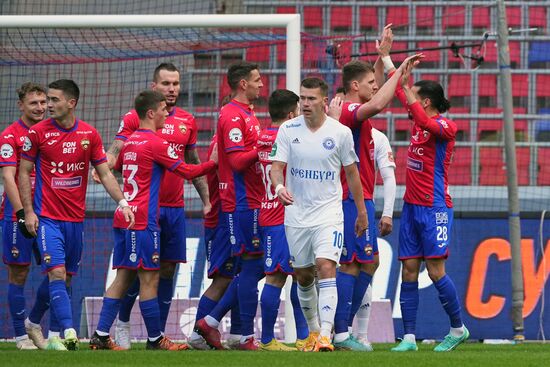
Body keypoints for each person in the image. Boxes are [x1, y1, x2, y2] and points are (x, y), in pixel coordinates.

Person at [89, 90, 217, 351]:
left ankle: (101, 335)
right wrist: (214, 163)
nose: (167, 113)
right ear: (150, 113)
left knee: (123, 277)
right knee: (149, 279)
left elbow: (113, 167)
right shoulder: (156, 143)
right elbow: (187, 171)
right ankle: (155, 339)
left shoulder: (132, 141)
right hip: (142, 220)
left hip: (124, 215)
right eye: (162, 110)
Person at [18, 79, 135, 351]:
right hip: (46, 217)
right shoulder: (37, 133)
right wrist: (28, 211)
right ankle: (69, 333)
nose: (48, 105)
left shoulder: (89, 134)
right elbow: (23, 172)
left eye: (54, 100)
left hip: (75, 220)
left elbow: (105, 172)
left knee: (65, 277)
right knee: (56, 272)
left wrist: (123, 202)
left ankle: (34, 321)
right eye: (47, 100)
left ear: (72, 103)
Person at [332, 29, 421, 349]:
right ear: (355, 86)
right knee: (353, 264)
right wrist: (398, 72)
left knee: (365, 263)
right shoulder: (348, 112)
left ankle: (341, 328)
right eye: (369, 82)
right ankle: (340, 331)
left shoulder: (350, 107)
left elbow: (374, 87)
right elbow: (381, 100)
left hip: (358, 197)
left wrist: (383, 56)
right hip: (350, 198)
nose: (375, 85)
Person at [269, 77, 368, 352]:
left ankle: (326, 334)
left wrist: (361, 212)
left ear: (325, 102)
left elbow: (352, 174)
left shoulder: (340, 133)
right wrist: (278, 186)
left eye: (311, 99)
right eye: (302, 98)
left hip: (328, 214)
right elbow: (276, 166)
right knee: (302, 275)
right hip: (297, 215)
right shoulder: (288, 130)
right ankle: (314, 331)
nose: (305, 103)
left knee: (326, 266)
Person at [390, 62, 469, 352]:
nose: (409, 99)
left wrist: (406, 88)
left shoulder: (446, 126)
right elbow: (398, 90)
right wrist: (389, 62)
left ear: (425, 101)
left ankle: (457, 329)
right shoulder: (418, 120)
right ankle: (409, 338)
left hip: (434, 207)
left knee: (435, 270)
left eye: (414, 95)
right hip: (411, 206)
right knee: (409, 269)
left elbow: (424, 122)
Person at [195, 61, 265, 350]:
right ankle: (208, 326)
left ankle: (232, 332)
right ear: (243, 84)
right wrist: (265, 147)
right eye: (257, 80)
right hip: (239, 203)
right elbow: (236, 162)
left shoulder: (248, 114)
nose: (262, 84)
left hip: (251, 200)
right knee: (250, 266)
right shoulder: (232, 117)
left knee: (247, 268)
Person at [256, 89, 309, 351]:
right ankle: (267, 340)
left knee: (294, 276)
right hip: (283, 217)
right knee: (280, 278)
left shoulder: (262, 137)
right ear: (291, 114)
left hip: (268, 211)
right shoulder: (288, 138)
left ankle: (302, 337)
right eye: (298, 111)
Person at [0, 82, 51, 350]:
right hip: (15, 215)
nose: (40, 108)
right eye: (34, 103)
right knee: (18, 275)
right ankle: (21, 337)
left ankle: (35, 322)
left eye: (43, 103)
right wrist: (21, 213)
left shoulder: (51, 133)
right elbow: (8, 176)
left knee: (59, 272)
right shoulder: (10, 136)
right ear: (21, 105)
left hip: (49, 214)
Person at [187, 133, 239, 350]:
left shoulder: (225, 141)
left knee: (240, 275)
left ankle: (238, 334)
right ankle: (199, 334)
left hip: (227, 220)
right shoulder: (224, 142)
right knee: (224, 279)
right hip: (222, 222)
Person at [351, 126, 397, 350]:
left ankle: (353, 333)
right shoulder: (332, 131)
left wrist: (387, 212)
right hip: (332, 205)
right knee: (324, 269)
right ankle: (331, 329)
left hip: (361, 206)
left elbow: (389, 176)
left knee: (366, 263)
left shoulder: (377, 137)